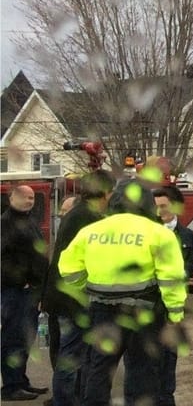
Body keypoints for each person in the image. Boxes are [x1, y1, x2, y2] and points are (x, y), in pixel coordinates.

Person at [58, 179, 187, 406]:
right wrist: (175, 314)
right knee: (142, 370)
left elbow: (68, 269)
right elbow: (171, 278)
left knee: (99, 369)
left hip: (102, 312)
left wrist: (85, 288)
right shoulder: (159, 234)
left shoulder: (91, 231)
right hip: (143, 314)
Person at [44, 172, 115, 406]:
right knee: (71, 356)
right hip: (72, 298)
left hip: (64, 296)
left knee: (72, 354)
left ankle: (68, 399)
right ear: (105, 192)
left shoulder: (79, 213)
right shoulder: (88, 217)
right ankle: (65, 401)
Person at [1, 185, 51, 401]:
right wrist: (21, 281)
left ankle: (20, 381)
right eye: (24, 197)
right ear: (11, 197)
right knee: (13, 339)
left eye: (31, 197)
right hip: (15, 291)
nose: (29, 200)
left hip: (30, 291)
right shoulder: (5, 223)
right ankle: (11, 387)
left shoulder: (28, 220)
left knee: (24, 339)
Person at [153, 185, 193, 405]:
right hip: (150, 305)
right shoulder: (148, 234)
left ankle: (166, 398)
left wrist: (183, 273)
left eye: (164, 206)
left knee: (169, 356)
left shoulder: (187, 234)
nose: (160, 211)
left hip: (174, 306)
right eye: (156, 206)